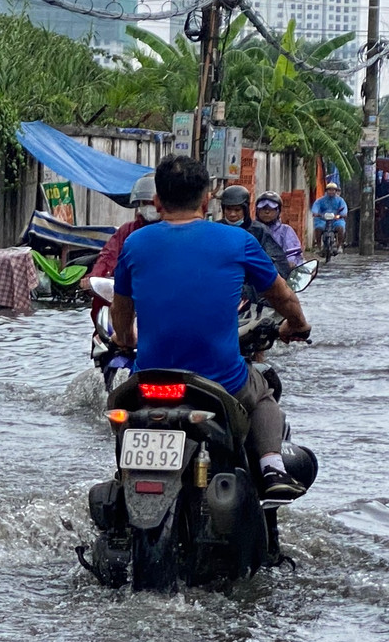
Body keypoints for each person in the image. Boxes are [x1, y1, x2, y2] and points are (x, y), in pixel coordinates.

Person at [111, 155, 312, 502]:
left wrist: (126, 339)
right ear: (207, 201)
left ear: (157, 201)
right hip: (221, 381)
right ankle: (271, 467)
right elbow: (283, 296)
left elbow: (121, 309)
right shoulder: (237, 242)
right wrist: (298, 325)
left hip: (150, 379)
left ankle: (124, 483)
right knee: (262, 393)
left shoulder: (134, 244)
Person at [91, 172, 160, 281]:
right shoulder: (127, 230)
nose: (149, 207)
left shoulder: (171, 230)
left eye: (152, 203)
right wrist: (95, 277)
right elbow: (109, 256)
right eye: (145, 202)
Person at [219, 184, 291, 278]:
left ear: (245, 210)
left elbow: (278, 262)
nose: (232, 214)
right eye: (228, 209)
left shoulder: (259, 231)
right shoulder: (216, 229)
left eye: (237, 210)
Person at [254, 190, 304, 268]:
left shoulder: (285, 230)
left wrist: (290, 263)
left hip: (279, 272)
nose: (267, 212)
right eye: (263, 208)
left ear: (278, 211)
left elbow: (293, 253)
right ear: (257, 211)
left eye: (271, 209)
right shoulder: (251, 230)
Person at [311, 181, 348, 250]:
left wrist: (342, 214)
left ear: (336, 191)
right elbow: (316, 206)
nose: (331, 192)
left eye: (333, 190)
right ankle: (319, 247)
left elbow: (344, 209)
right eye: (329, 190)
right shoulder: (320, 200)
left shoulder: (340, 200)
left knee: (341, 228)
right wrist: (316, 213)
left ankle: (339, 246)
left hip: (336, 220)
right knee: (318, 229)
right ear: (326, 191)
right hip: (322, 219)